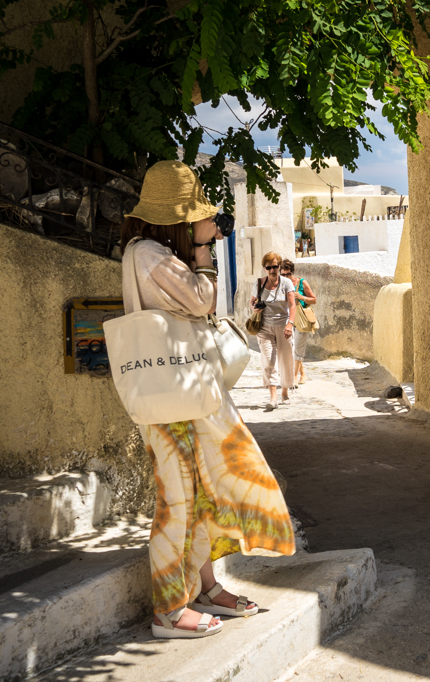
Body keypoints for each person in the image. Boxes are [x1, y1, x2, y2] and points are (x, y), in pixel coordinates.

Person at [119, 160, 295, 639]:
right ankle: (169, 610)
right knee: (177, 499)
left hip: (184, 391)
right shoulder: (149, 254)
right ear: (176, 218)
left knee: (200, 494)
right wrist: (202, 250)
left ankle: (205, 586)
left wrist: (199, 248)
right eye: (197, 217)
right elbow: (202, 301)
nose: (206, 224)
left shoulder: (154, 252)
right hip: (168, 395)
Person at [251, 252, 296, 408]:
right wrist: (254, 308)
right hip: (265, 328)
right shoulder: (259, 284)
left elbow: (292, 305)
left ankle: (285, 391)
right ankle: (273, 397)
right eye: (269, 267)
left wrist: (290, 324)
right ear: (264, 268)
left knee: (286, 359)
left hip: (284, 327)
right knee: (269, 361)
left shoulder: (286, 283)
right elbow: (251, 302)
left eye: (275, 266)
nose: (272, 270)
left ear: (279, 266)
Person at [281, 259, 316, 386]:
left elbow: (314, 299)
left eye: (288, 274)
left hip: (301, 319)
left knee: (297, 348)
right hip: (288, 319)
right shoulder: (280, 284)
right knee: (291, 348)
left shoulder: (302, 282)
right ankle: (303, 374)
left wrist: (301, 297)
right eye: (283, 274)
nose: (285, 277)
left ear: (293, 272)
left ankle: (294, 377)